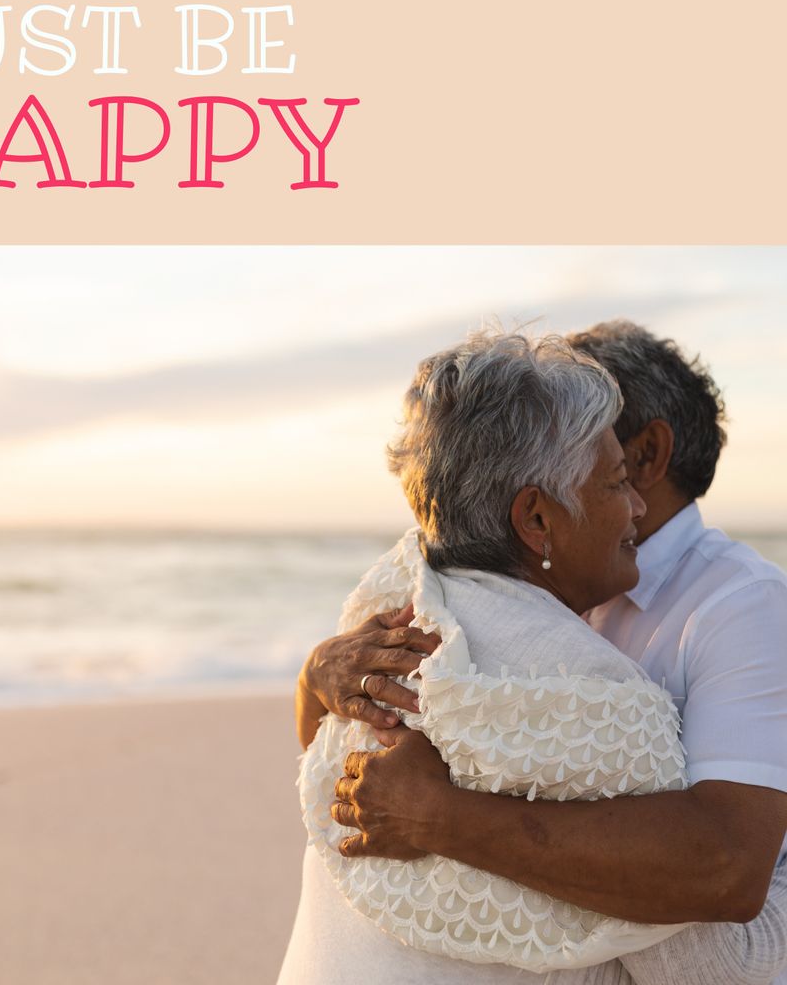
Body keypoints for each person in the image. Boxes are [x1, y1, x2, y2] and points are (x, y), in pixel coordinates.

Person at [296, 321, 787, 983]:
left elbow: (724, 874)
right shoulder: (431, 620)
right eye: (612, 481)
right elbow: (338, 774)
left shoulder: (413, 589)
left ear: (650, 451)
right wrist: (314, 679)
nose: (634, 504)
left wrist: (444, 818)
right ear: (534, 519)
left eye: (620, 473)